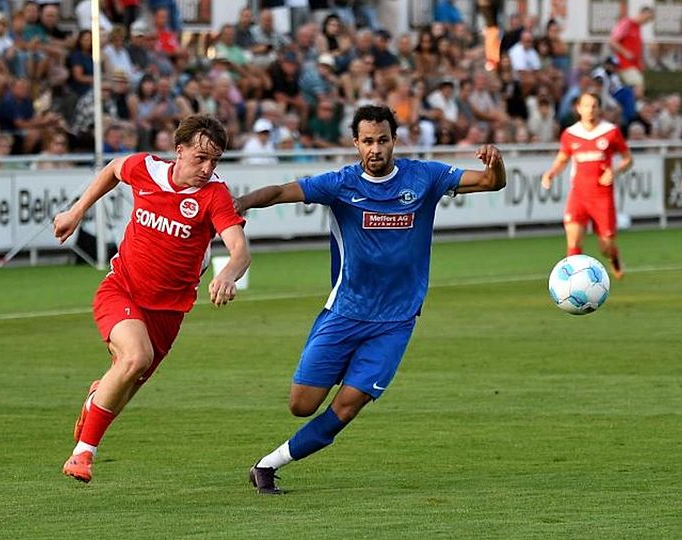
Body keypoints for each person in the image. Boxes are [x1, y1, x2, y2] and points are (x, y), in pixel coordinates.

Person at [234, 105, 506, 495]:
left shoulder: (424, 177)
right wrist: (241, 203)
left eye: (382, 140)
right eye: (367, 142)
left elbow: (490, 183)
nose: (375, 149)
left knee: (347, 406)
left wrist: (496, 164)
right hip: (344, 311)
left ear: (394, 141)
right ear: (355, 144)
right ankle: (342, 372)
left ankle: (268, 465)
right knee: (301, 404)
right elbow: (281, 191)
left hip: (396, 321)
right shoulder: (340, 184)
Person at [54, 114, 250, 484]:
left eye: (215, 161)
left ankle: (96, 397)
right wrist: (76, 212)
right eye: (200, 158)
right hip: (122, 289)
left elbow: (239, 251)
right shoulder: (147, 169)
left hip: (169, 313)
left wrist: (226, 274)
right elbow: (113, 169)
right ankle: (82, 455)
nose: (207, 169)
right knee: (135, 357)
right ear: (179, 151)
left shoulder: (215, 196)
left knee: (124, 387)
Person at [541, 92, 633, 280]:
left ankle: (614, 257)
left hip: (602, 195)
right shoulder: (570, 134)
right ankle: (573, 283)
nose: (590, 110)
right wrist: (551, 173)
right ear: (578, 108)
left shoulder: (611, 131)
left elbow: (628, 159)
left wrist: (613, 171)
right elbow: (562, 159)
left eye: (594, 106)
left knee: (605, 246)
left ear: (599, 108)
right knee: (573, 241)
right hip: (579, 195)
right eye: (586, 106)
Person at [609, 6, 654, 99]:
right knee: (638, 85)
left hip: (633, 66)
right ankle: (635, 109)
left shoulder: (637, 28)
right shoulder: (627, 23)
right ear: (642, 13)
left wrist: (640, 64)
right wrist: (625, 52)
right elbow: (612, 41)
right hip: (624, 64)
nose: (647, 21)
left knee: (635, 88)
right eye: (648, 18)